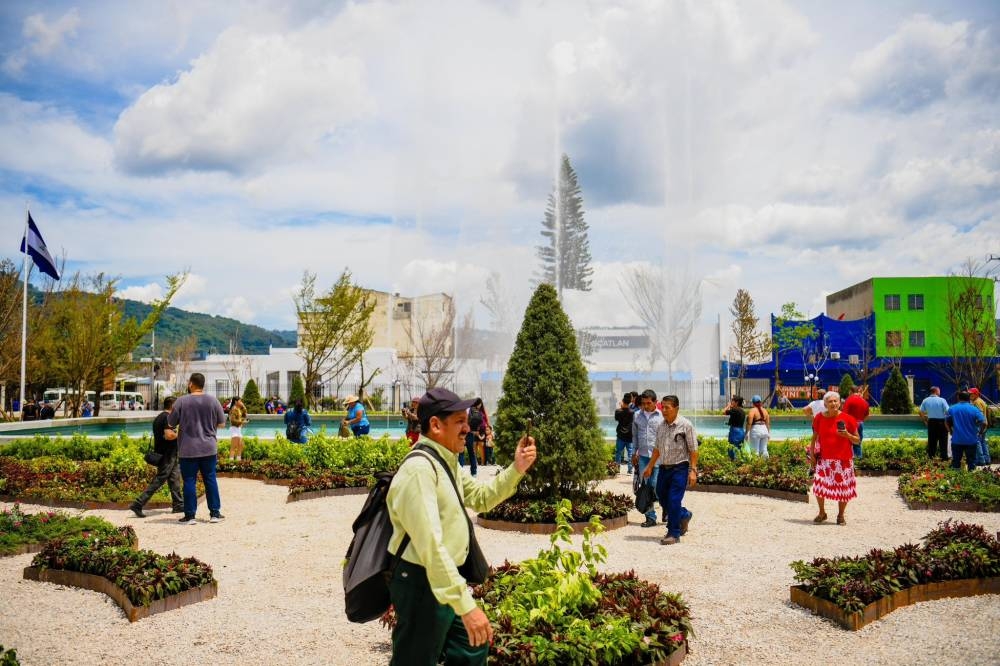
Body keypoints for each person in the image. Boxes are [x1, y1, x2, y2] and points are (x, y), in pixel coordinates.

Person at [385, 387, 537, 665]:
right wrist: (466, 607)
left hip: (441, 579)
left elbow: (481, 497)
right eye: (459, 421)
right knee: (415, 659)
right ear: (435, 425)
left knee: (472, 644)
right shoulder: (419, 471)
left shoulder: (446, 461)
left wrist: (517, 468)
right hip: (421, 581)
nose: (469, 428)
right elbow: (431, 546)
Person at [167, 373, 226, 524]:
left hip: (188, 448)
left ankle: (190, 516)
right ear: (203, 384)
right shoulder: (213, 401)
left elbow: (171, 422)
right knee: (210, 479)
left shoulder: (181, 401)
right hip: (209, 447)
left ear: (191, 384)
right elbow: (222, 423)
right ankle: (214, 513)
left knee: (189, 481)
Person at [641, 395, 697, 545]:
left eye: (667, 407)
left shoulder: (686, 425)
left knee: (673, 500)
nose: (664, 410)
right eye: (662, 407)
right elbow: (657, 449)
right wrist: (650, 466)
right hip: (664, 468)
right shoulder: (661, 426)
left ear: (676, 408)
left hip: (680, 468)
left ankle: (673, 533)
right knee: (661, 496)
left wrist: (693, 470)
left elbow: (693, 450)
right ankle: (684, 514)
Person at [808, 391, 860, 526]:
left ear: (840, 403)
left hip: (843, 460)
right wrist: (812, 454)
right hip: (824, 460)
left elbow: (857, 441)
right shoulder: (819, 418)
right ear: (825, 404)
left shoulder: (849, 419)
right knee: (819, 486)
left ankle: (841, 515)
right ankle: (822, 513)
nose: (833, 404)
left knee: (843, 489)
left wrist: (847, 435)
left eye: (835, 401)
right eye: (830, 401)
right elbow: (814, 438)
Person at [130, 396, 183, 517]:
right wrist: (180, 433)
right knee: (159, 480)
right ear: (173, 406)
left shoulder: (159, 417)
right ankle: (138, 503)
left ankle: (178, 505)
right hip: (167, 455)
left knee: (174, 479)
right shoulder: (167, 417)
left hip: (167, 453)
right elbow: (169, 435)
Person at [630, 389, 664, 528]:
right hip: (643, 456)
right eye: (643, 403)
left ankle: (666, 507)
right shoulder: (637, 415)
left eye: (648, 403)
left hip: (659, 457)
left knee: (657, 486)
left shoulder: (662, 416)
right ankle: (650, 517)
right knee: (645, 487)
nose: (645, 406)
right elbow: (635, 436)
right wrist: (633, 453)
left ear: (655, 402)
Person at [947, 390, 986, 472]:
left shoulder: (952, 408)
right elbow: (984, 422)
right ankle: (971, 480)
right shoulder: (974, 409)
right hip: (971, 440)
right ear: (968, 398)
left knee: (956, 462)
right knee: (971, 462)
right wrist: (980, 432)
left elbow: (946, 421)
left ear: (958, 397)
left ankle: (956, 480)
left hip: (957, 440)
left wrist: (950, 431)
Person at [918, 387, 950, 461]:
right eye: (939, 391)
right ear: (936, 391)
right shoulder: (942, 400)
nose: (940, 392)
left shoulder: (925, 400)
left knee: (932, 441)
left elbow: (920, 412)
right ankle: (944, 458)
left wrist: (925, 421)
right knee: (943, 441)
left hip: (931, 422)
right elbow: (948, 411)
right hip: (941, 422)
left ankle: (931, 458)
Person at [841, 385, 870, 460]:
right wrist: (861, 421)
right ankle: (859, 460)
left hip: (851, 423)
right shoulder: (864, 401)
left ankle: (849, 460)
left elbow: (844, 414)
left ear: (850, 391)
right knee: (858, 443)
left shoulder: (849, 400)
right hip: (860, 423)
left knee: (847, 443)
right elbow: (867, 416)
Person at [969, 388, 991, 465]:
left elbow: (979, 415)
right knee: (983, 442)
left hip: (979, 425)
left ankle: (981, 460)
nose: (970, 395)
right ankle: (987, 459)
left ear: (976, 394)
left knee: (977, 442)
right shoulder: (981, 400)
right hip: (984, 424)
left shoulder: (977, 402)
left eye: (971, 394)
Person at [614, 394, 636, 472]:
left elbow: (616, 419)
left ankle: (617, 469)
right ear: (630, 402)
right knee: (630, 453)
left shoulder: (618, 411)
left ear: (623, 401)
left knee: (618, 452)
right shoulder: (633, 412)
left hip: (620, 434)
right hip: (630, 435)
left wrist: (621, 407)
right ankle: (630, 470)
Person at [723, 396, 745, 461]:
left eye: (732, 401)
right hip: (741, 430)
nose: (731, 402)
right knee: (739, 447)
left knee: (731, 447)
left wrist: (728, 406)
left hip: (735, 431)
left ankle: (732, 462)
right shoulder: (742, 411)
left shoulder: (735, 410)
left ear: (737, 402)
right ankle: (740, 461)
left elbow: (724, 412)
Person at [228, 397, 248, 461]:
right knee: (234, 446)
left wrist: (244, 407)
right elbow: (233, 421)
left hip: (238, 428)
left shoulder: (238, 409)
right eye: (240, 401)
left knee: (241, 445)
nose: (241, 402)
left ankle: (238, 459)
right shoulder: (233, 409)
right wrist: (242, 422)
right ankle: (231, 461)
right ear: (236, 402)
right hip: (234, 429)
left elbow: (244, 416)